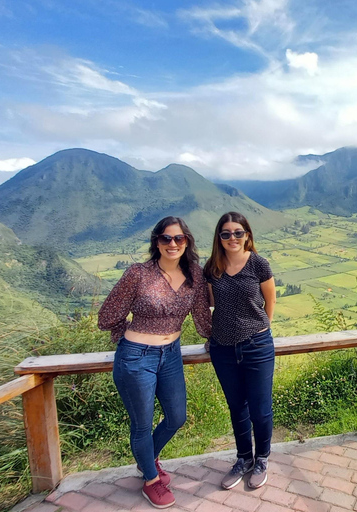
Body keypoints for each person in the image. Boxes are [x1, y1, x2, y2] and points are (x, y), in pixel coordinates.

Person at [98, 216, 212, 509]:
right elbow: (107, 315)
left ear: (187, 242)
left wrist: (225, 338)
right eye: (166, 238)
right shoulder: (138, 274)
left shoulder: (195, 275)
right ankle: (150, 480)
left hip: (171, 355)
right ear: (156, 242)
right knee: (141, 424)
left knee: (177, 417)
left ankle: (148, 458)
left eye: (178, 239)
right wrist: (124, 334)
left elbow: (202, 318)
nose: (172, 244)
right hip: (136, 358)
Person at [204, 211, 276, 490]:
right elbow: (209, 302)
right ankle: (244, 458)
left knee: (260, 409)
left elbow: (270, 302)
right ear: (219, 238)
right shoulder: (212, 267)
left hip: (256, 345)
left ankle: (262, 459)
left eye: (238, 232)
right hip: (222, 348)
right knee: (237, 407)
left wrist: (259, 330)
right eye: (226, 233)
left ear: (247, 235)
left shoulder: (258, 263)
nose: (232, 237)